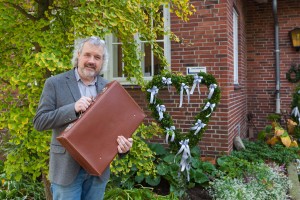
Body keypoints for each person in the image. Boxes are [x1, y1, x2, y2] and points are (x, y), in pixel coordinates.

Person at [33, 36, 133, 200]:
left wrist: (124, 147)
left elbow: (115, 128)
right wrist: (72, 108)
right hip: (66, 170)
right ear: (78, 55)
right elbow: (40, 121)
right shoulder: (55, 83)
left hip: (97, 171)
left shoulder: (109, 89)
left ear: (102, 62)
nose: (91, 61)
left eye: (97, 57)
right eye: (87, 55)